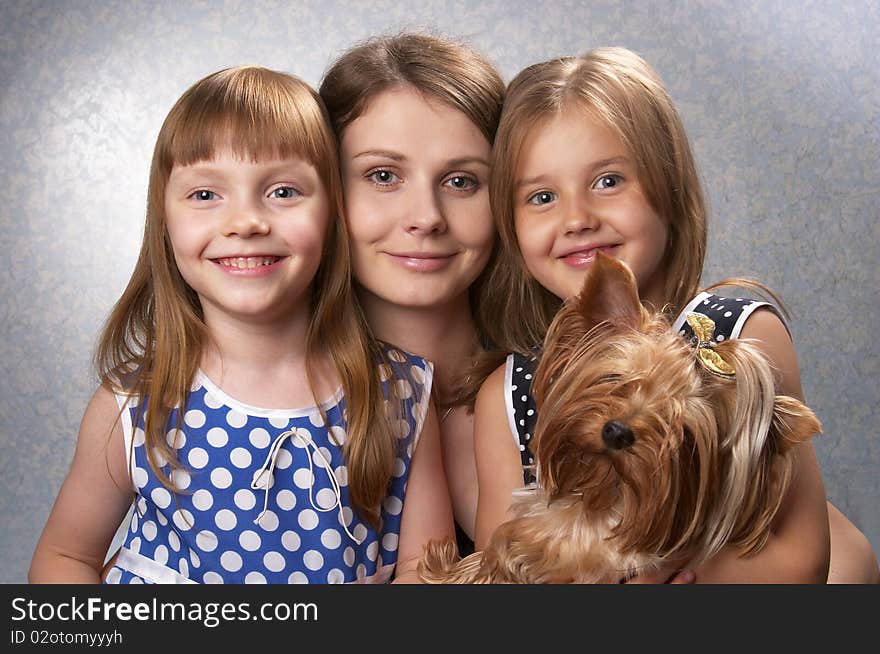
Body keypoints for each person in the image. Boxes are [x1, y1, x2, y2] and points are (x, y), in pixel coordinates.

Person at [28, 65, 453, 584]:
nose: (246, 221)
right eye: (206, 195)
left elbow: (426, 571)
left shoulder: (403, 393)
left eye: (283, 192)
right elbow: (64, 560)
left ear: (333, 216)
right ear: (164, 222)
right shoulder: (135, 405)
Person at [473, 47, 878, 582]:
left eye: (608, 181)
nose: (577, 218)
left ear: (670, 187)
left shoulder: (733, 330)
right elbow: (501, 570)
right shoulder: (508, 394)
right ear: (509, 224)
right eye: (542, 196)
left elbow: (801, 559)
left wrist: (665, 575)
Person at [319, 32, 505, 554]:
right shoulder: (255, 405)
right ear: (322, 187)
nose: (426, 217)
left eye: (462, 181)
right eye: (383, 175)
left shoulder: (568, 388)